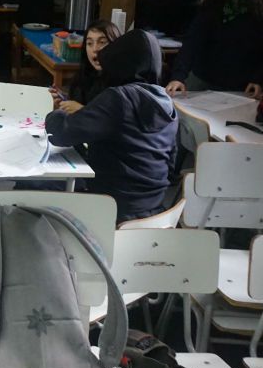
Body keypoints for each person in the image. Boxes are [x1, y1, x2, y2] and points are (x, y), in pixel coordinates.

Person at [45, 29, 178, 223]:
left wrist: (57, 113)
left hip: (111, 208)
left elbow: (61, 133)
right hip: (155, 213)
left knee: (37, 186)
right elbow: (171, 166)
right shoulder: (167, 103)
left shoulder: (119, 98)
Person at [52, 18, 122, 114]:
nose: (95, 49)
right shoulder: (85, 75)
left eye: (102, 42)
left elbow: (115, 122)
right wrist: (65, 102)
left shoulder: (123, 85)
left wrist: (83, 111)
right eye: (89, 43)